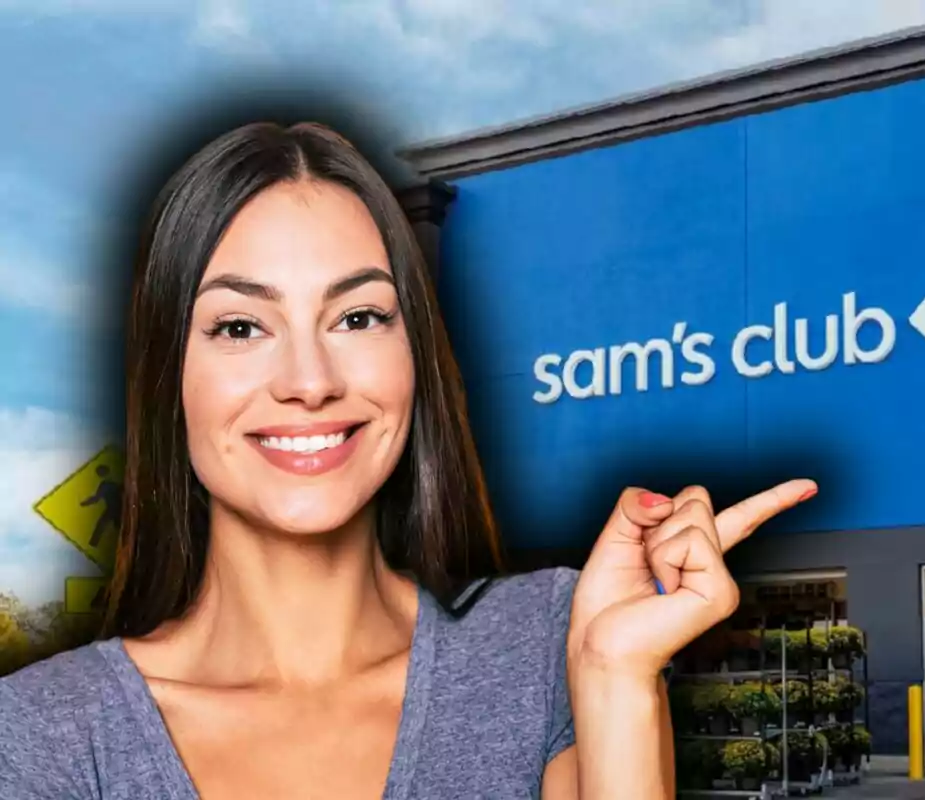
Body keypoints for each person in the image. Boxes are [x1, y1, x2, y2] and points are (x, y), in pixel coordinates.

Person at [0, 121, 817, 799]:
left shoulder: (541, 653)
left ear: (415, 354)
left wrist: (611, 679)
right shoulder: (45, 736)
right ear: (166, 374)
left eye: (358, 317)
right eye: (241, 327)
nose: (310, 382)